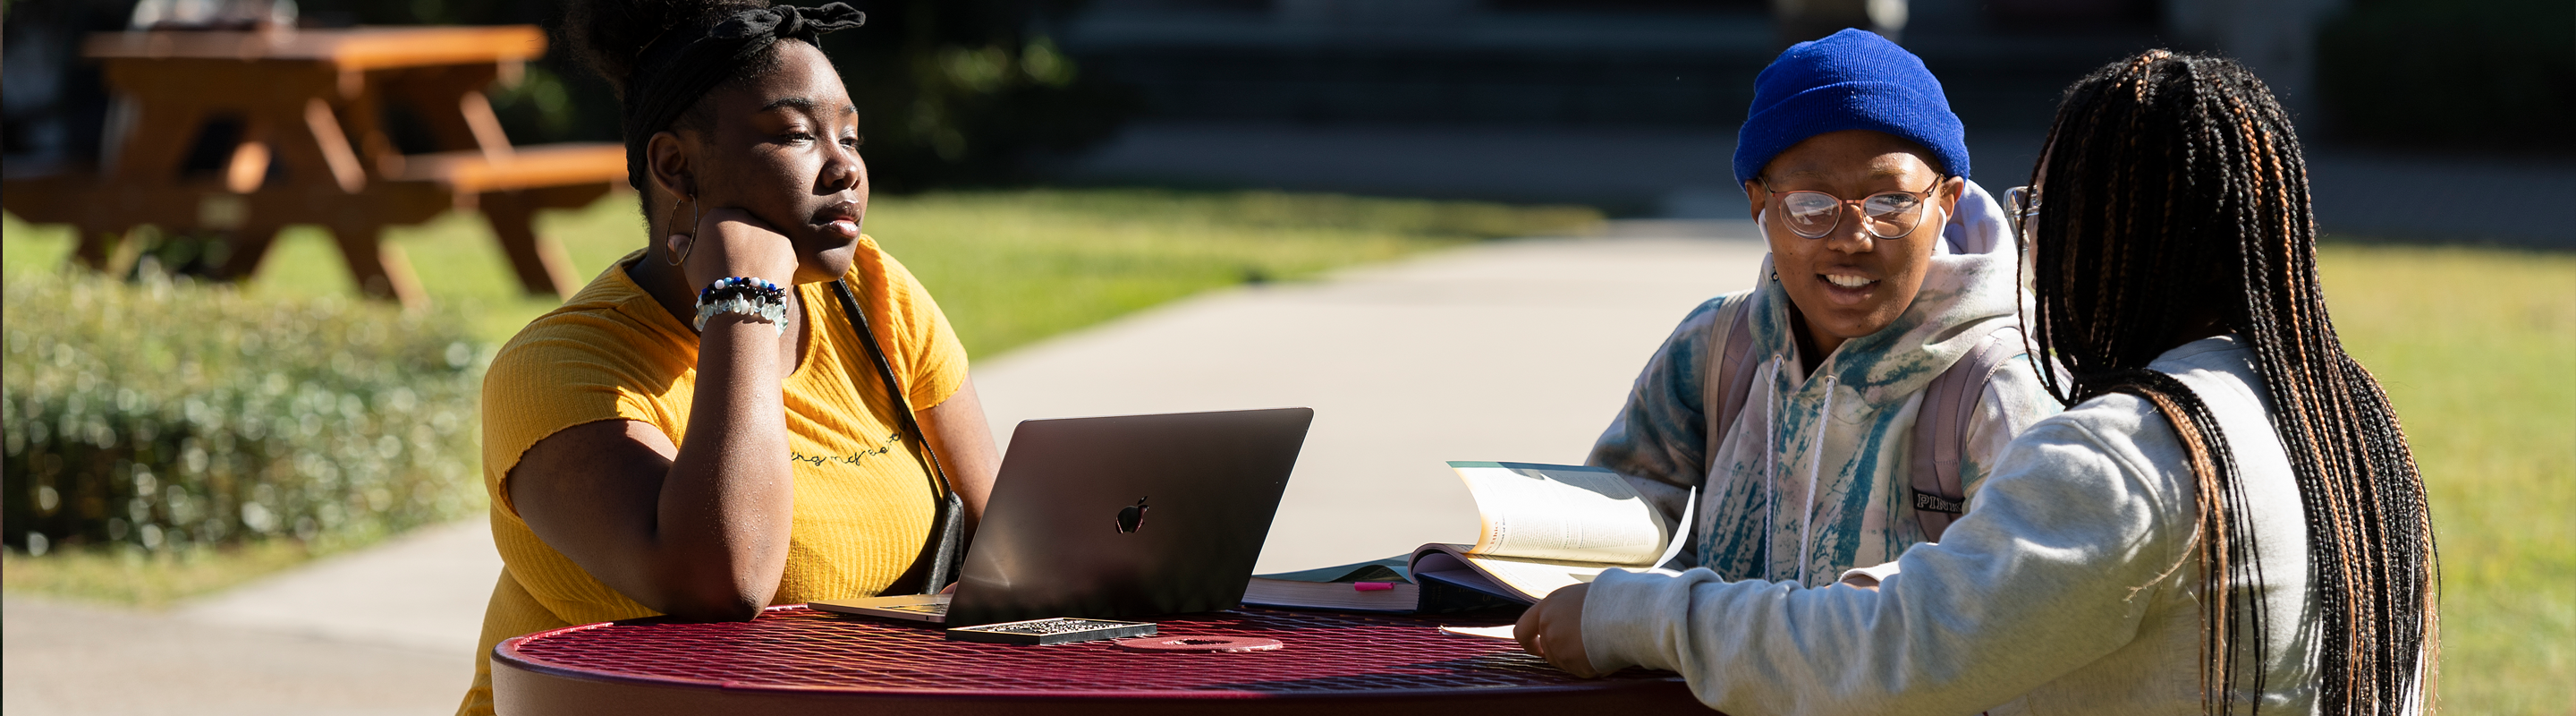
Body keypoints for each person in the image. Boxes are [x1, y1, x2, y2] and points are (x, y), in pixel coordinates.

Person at [1517, 50, 2438, 714]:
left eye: (2048, 219)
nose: (2035, 254)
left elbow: (1894, 651)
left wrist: (1640, 613)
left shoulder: (2124, 455)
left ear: (2115, 246)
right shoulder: (2338, 419)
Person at [453, 3, 1003, 714]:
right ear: (675, 165)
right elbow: (722, 581)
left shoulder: (876, 294)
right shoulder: (559, 369)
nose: (845, 167)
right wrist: (744, 302)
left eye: (850, 136)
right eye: (798, 135)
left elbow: (1010, 550)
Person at [1586, 28, 2058, 590]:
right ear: (1759, 204)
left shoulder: (2000, 387)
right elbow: (1603, 534)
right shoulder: (1714, 349)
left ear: (1946, 203)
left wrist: (1677, 620)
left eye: (1891, 201)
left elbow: (1994, 603)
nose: (1852, 238)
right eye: (1810, 204)